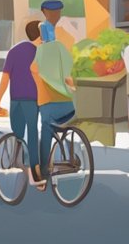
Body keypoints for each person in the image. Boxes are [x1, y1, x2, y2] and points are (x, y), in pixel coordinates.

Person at [0, 21, 44, 187]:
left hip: (16, 99)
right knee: (33, 133)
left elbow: (5, 78)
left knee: (18, 133)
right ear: (40, 34)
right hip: (32, 99)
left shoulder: (14, 51)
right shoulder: (40, 53)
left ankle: (17, 161)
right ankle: (34, 173)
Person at [30, 16, 75, 181]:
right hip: (69, 104)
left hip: (49, 104)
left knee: (46, 129)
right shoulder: (61, 48)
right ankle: (70, 153)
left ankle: (43, 170)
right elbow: (69, 74)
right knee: (65, 125)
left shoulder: (41, 50)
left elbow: (33, 69)